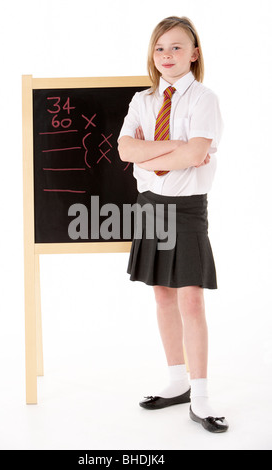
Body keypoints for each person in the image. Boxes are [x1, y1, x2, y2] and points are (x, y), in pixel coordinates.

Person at [118, 16, 228, 433]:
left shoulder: (204, 98)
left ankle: (199, 399)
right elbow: (126, 149)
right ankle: (177, 383)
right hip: (149, 208)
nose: (167, 56)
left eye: (177, 47)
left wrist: (154, 155)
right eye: (160, 48)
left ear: (194, 53)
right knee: (162, 297)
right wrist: (177, 148)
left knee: (191, 300)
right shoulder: (142, 100)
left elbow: (194, 154)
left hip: (185, 209)